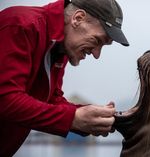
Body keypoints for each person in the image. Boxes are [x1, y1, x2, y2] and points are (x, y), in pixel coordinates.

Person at [0, 0, 129, 156]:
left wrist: (88, 116)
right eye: (97, 41)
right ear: (78, 18)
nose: (96, 54)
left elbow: (51, 100)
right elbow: (5, 99)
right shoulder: (20, 25)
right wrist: (74, 118)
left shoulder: (60, 48)